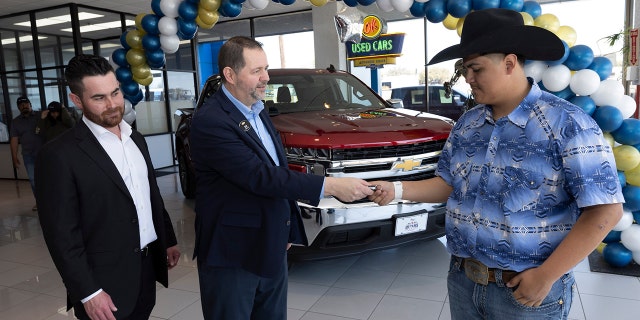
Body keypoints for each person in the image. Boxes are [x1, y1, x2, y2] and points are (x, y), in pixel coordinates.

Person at [368, 9, 624, 320]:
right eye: (465, 70)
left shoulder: (567, 123)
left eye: (476, 68)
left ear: (509, 63)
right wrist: (395, 189)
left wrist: (546, 276)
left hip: (526, 290)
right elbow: (449, 184)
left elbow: (605, 210)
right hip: (463, 280)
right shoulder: (468, 124)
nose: (468, 79)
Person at [190, 36, 374, 320]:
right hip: (233, 252)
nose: (265, 78)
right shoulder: (211, 121)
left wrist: (285, 227)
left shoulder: (258, 110)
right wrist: (331, 185)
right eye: (256, 71)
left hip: (271, 242)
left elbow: (278, 167)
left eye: (266, 68)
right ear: (229, 74)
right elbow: (260, 176)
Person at [35, 54, 181, 320]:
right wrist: (88, 292)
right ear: (77, 100)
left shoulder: (135, 138)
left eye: (115, 92)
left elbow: (150, 195)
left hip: (146, 267)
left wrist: (167, 239)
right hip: (102, 281)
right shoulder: (59, 155)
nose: (113, 104)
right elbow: (61, 236)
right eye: (99, 98)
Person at [10, 96, 43, 211]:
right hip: (28, 155)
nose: (24, 106)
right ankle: (39, 202)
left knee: (49, 177)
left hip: (44, 153)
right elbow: (14, 139)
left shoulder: (40, 116)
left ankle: (52, 200)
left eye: (26, 104)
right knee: (33, 180)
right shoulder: (16, 122)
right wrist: (14, 157)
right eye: (21, 105)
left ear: (30, 104)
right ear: (18, 107)